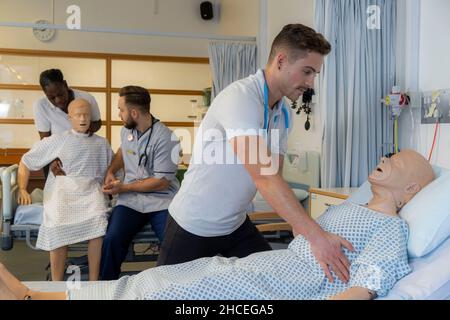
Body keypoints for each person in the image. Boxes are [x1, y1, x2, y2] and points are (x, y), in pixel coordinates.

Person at [0, 150, 435, 300]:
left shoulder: (390, 230)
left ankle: (33, 296)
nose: (386, 157)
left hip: (283, 286)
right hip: (267, 269)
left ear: (412, 187)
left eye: (397, 161)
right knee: (158, 280)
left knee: (169, 293)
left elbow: (369, 283)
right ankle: (34, 293)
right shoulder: (345, 207)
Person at [156, 24, 353, 283]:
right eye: (307, 72)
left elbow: (276, 176)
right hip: (193, 225)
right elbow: (264, 177)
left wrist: (299, 225)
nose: (311, 83)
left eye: (315, 74)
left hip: (235, 225)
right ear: (281, 61)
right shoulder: (240, 98)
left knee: (274, 284)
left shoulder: (282, 114)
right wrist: (316, 236)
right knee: (163, 293)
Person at [17, 99, 113, 281]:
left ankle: (93, 281)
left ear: (91, 116)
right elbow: (26, 161)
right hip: (63, 191)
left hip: (90, 191)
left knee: (98, 224)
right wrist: (22, 188)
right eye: (78, 115)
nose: (83, 118)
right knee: (58, 225)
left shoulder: (102, 143)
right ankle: (56, 282)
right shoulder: (58, 140)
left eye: (86, 114)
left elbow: (113, 170)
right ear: (70, 118)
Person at [99, 85, 181, 280]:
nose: (119, 114)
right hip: (131, 201)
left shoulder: (167, 138)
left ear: (134, 112)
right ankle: (105, 286)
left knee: (173, 244)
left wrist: (123, 187)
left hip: (160, 201)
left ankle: (175, 287)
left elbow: (161, 182)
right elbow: (122, 151)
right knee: (112, 239)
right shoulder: (127, 131)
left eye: (121, 109)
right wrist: (111, 170)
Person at [34, 69, 102, 177]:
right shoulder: (41, 105)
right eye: (51, 98)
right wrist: (53, 159)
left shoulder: (86, 98)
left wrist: (85, 128)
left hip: (82, 152)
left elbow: (97, 123)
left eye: (60, 94)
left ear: (65, 84)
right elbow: (45, 138)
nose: (58, 100)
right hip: (56, 155)